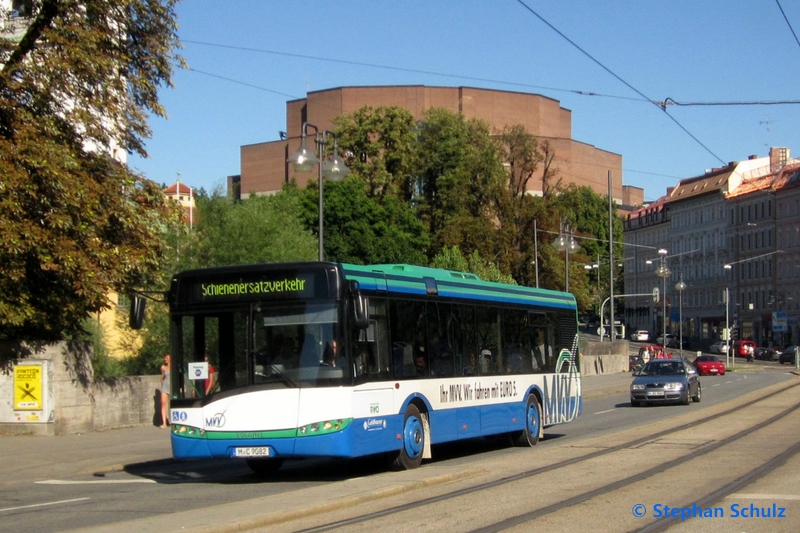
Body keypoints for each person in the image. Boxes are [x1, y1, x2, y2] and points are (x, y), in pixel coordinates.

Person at [159, 354, 171, 428]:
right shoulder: (163, 367)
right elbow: (162, 377)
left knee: (173, 404)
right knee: (163, 403)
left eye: (167, 358)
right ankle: (164, 423)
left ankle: (173, 421)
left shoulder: (174, 367)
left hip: (172, 387)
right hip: (165, 387)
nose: (165, 359)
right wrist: (163, 384)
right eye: (165, 358)